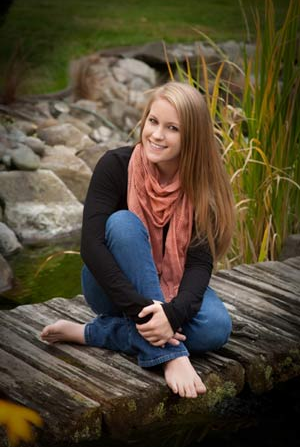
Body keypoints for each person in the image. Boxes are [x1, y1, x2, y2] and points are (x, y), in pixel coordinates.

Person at [41, 81, 236, 399]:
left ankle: (91, 333)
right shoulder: (115, 166)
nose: (157, 135)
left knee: (216, 328)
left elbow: (200, 263)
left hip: (172, 285)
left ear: (192, 137)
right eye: (153, 121)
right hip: (111, 289)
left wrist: (171, 316)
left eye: (172, 128)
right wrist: (152, 318)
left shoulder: (203, 184)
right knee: (121, 223)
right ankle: (171, 356)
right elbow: (91, 246)